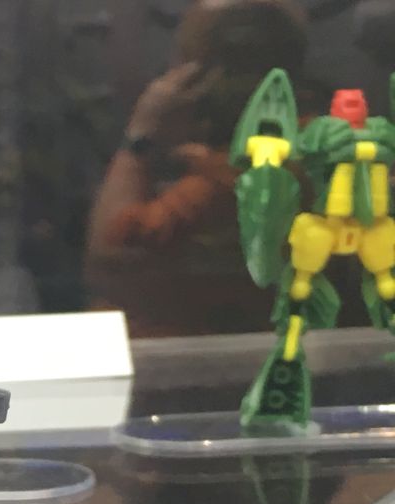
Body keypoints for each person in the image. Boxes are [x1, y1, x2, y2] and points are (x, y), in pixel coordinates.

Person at [86, 0, 309, 336]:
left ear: (204, 77)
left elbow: (109, 260)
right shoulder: (304, 147)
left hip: (184, 359)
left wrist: (140, 137)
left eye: (183, 59)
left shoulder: (229, 181)